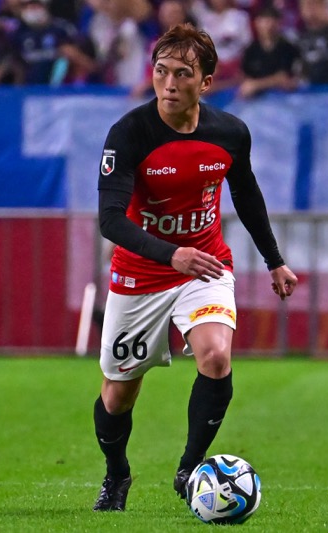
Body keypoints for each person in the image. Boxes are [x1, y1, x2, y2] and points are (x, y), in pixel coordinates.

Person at [91, 23, 298, 512]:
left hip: (204, 267)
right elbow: (109, 220)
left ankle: (190, 468)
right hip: (140, 276)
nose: (168, 83)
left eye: (182, 73)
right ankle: (117, 473)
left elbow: (246, 195)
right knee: (118, 396)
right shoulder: (129, 133)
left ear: (206, 82)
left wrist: (275, 261)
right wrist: (170, 253)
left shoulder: (229, 133)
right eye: (161, 71)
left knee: (215, 358)